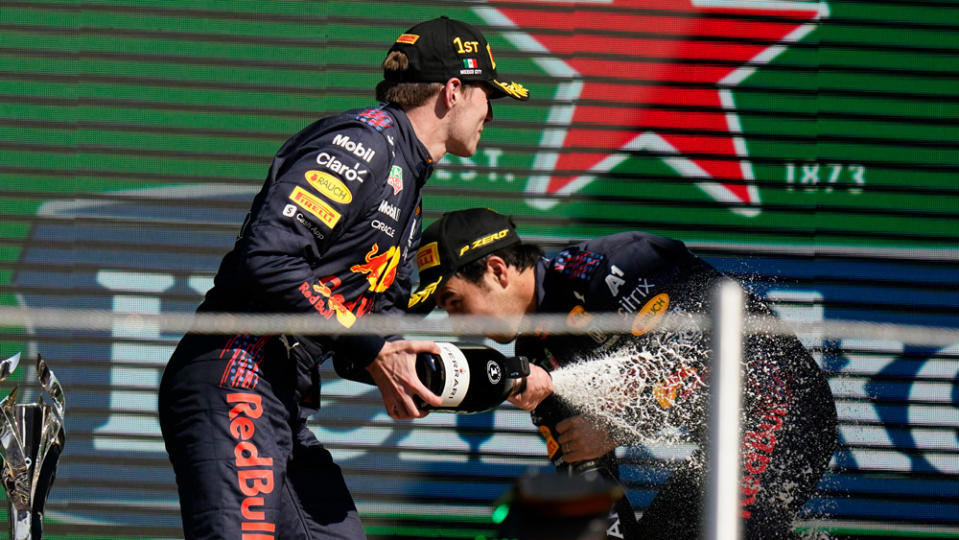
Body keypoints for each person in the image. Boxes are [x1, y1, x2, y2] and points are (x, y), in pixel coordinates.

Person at [158, 18, 529, 539]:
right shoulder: (364, 144)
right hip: (235, 373)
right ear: (453, 91)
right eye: (487, 94)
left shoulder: (408, 187)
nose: (492, 110)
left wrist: (476, 375)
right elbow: (268, 259)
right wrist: (372, 343)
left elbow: (368, 336)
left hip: (281, 399)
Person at [408, 208, 838, 540]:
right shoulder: (535, 357)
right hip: (727, 440)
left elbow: (719, 358)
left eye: (453, 301)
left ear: (497, 270)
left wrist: (618, 423)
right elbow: (590, 486)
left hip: (780, 401)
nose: (456, 325)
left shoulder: (610, 267)